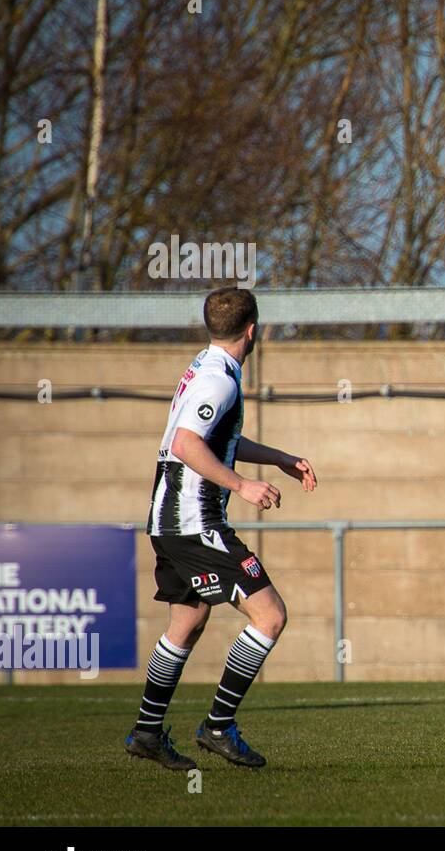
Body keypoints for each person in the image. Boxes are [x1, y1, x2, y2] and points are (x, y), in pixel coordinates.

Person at [125, 287, 317, 770]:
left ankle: (147, 733)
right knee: (269, 616)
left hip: (168, 522)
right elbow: (189, 443)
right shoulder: (220, 380)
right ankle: (217, 726)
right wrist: (242, 485)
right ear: (253, 330)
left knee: (186, 623)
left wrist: (279, 459)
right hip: (195, 524)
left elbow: (217, 438)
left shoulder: (204, 367)